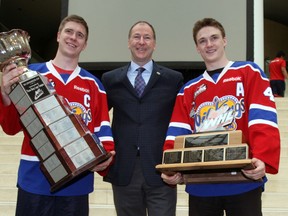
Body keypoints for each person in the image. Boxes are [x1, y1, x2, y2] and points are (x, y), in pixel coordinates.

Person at [161, 18, 280, 216]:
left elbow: (262, 119)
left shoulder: (249, 72)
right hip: (201, 185)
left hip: (243, 180)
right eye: (202, 41)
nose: (209, 44)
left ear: (224, 40)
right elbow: (178, 133)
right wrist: (173, 167)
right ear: (197, 48)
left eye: (214, 38)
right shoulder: (188, 90)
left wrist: (262, 158)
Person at [0, 14, 115, 216]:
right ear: (58, 36)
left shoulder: (95, 85)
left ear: (85, 44)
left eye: (80, 35)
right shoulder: (29, 74)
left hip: (76, 184)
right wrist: (5, 94)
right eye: (69, 31)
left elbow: (103, 133)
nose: (73, 37)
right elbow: (10, 128)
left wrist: (107, 157)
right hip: (34, 181)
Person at [101, 21, 183, 216]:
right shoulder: (110, 80)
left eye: (147, 37)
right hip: (124, 170)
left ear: (154, 44)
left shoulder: (173, 79)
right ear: (129, 42)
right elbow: (97, 119)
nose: (141, 42)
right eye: (136, 36)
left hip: (161, 170)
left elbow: (182, 123)